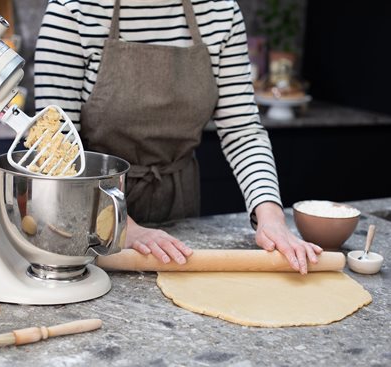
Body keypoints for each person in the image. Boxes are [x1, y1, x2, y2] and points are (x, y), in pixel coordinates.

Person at [33, 0, 322, 273]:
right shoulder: (73, 11)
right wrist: (120, 224)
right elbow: (54, 143)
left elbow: (242, 130)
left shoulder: (220, 12)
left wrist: (271, 216)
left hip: (178, 208)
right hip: (86, 217)